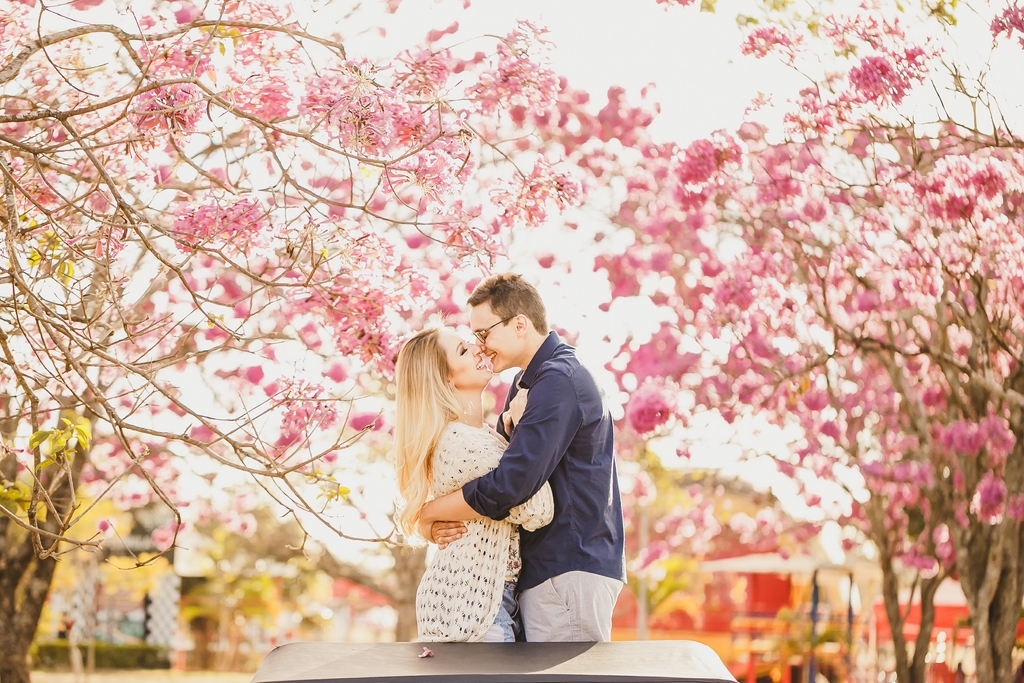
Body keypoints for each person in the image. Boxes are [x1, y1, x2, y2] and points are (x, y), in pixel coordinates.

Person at [418, 273, 626, 642]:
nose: (480, 346)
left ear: (519, 325)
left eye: (483, 333)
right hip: (545, 570)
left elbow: (510, 485)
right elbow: (501, 467)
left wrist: (431, 512)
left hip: (567, 566)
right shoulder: (528, 383)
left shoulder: (558, 379)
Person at [393, 326, 553, 642]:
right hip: (471, 606)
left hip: (480, 600)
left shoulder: (482, 437)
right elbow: (539, 509)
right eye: (464, 350)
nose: (479, 348)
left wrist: (431, 512)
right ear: (445, 379)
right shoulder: (462, 443)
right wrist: (526, 427)